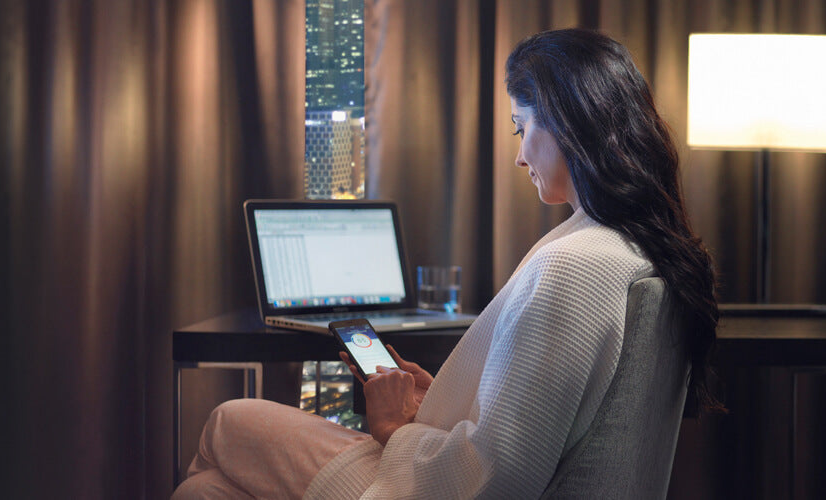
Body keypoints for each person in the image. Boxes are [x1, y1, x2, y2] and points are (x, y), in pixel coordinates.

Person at [172, 28, 720, 499]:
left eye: (521, 127)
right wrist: (439, 402)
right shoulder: (637, 250)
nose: (519, 155)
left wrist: (391, 427)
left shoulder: (574, 267)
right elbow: (544, 424)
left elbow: (495, 479)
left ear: (569, 124)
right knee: (207, 491)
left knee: (229, 420)